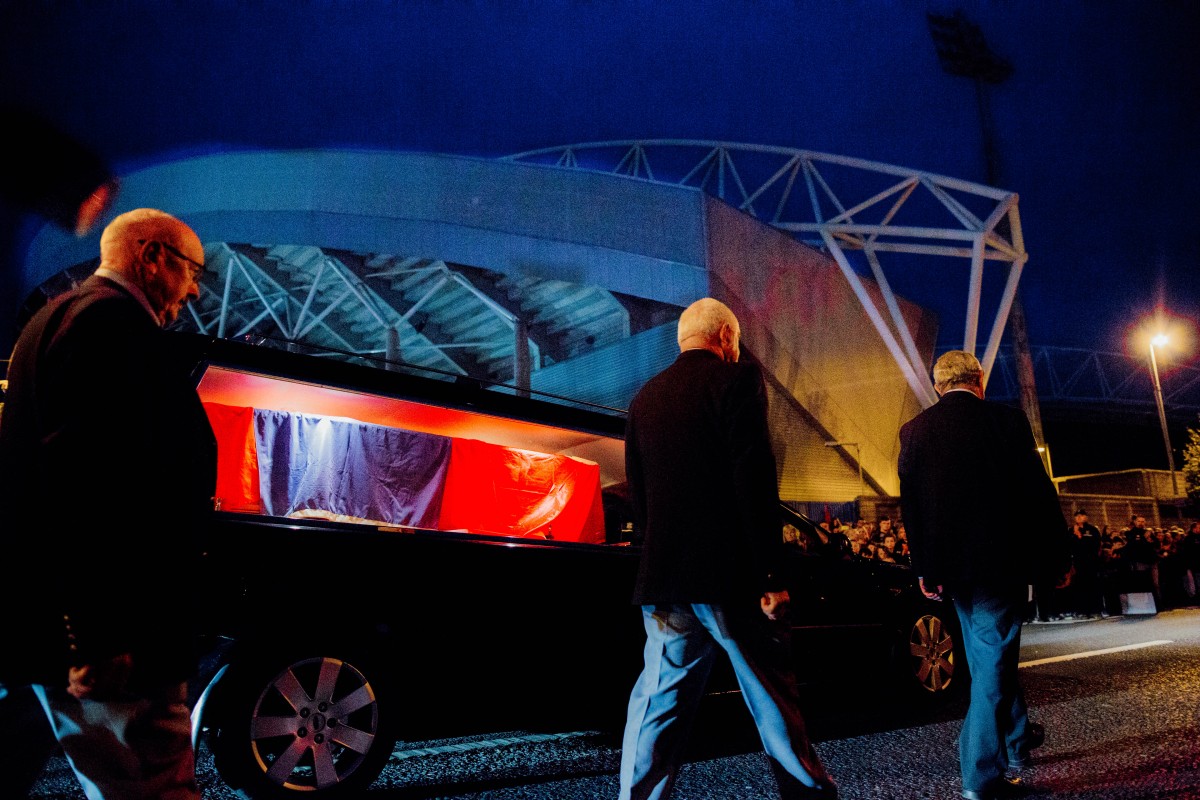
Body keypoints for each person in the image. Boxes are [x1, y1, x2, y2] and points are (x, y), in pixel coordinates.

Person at [0, 208, 217, 799]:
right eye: (192, 270)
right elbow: (85, 486)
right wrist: (97, 637)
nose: (196, 289)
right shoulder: (110, 324)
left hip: (73, 627)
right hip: (122, 639)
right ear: (151, 257)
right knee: (150, 786)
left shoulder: (54, 319)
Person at [618, 297, 837, 800]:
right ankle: (809, 796)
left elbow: (641, 495)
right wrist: (770, 576)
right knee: (771, 698)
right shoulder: (736, 381)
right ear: (725, 337)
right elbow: (752, 480)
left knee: (657, 702)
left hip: (665, 578)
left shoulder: (644, 398)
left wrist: (655, 562)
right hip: (728, 576)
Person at [898, 350, 1071, 800]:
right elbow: (1038, 494)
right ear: (980, 380)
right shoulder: (1007, 423)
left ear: (938, 386)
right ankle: (980, 776)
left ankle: (1016, 742)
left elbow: (912, 508)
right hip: (1000, 563)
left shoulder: (914, 431)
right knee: (993, 658)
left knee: (986, 656)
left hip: (950, 572)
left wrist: (925, 567)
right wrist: (1058, 557)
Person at [1068, 509, 1103, 618]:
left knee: (1093, 585)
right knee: (1080, 586)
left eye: (1081, 515)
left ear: (1086, 517)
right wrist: (1075, 536)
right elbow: (1069, 546)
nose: (1079, 517)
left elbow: (1096, 544)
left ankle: (1096, 610)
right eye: (1077, 515)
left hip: (1091, 562)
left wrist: (1080, 537)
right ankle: (1082, 611)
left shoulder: (1092, 530)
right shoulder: (1071, 530)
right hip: (1078, 562)